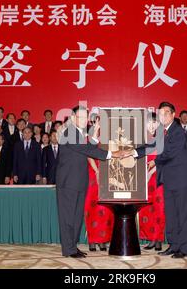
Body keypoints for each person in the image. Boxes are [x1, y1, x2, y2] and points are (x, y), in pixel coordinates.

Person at [131, 102, 187, 258]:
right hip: (168, 179)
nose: (163, 116)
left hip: (181, 180)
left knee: (182, 214)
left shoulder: (177, 131)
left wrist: (155, 161)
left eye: (166, 113)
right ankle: (173, 245)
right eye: (161, 113)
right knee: (171, 214)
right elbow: (151, 146)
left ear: (173, 114)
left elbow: (170, 152)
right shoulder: (161, 131)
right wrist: (132, 151)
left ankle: (184, 249)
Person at [56, 105, 119, 258]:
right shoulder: (70, 132)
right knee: (68, 218)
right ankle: (68, 249)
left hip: (79, 181)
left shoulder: (79, 133)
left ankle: (73, 246)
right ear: (72, 118)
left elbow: (87, 148)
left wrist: (95, 133)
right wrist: (113, 154)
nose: (84, 121)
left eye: (86, 117)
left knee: (77, 217)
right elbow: (88, 150)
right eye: (81, 117)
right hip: (68, 182)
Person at [138, 112, 165, 252]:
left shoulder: (162, 139)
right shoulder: (142, 140)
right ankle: (150, 239)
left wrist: (151, 172)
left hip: (158, 178)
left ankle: (158, 239)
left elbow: (164, 159)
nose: (151, 125)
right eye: (149, 123)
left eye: (154, 122)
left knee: (159, 210)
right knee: (146, 210)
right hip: (144, 180)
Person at [84, 158, 114, 252]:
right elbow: (89, 155)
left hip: (106, 173)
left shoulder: (109, 142)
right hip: (92, 174)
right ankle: (92, 240)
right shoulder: (90, 142)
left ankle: (102, 240)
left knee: (105, 208)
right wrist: (97, 171)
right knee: (91, 208)